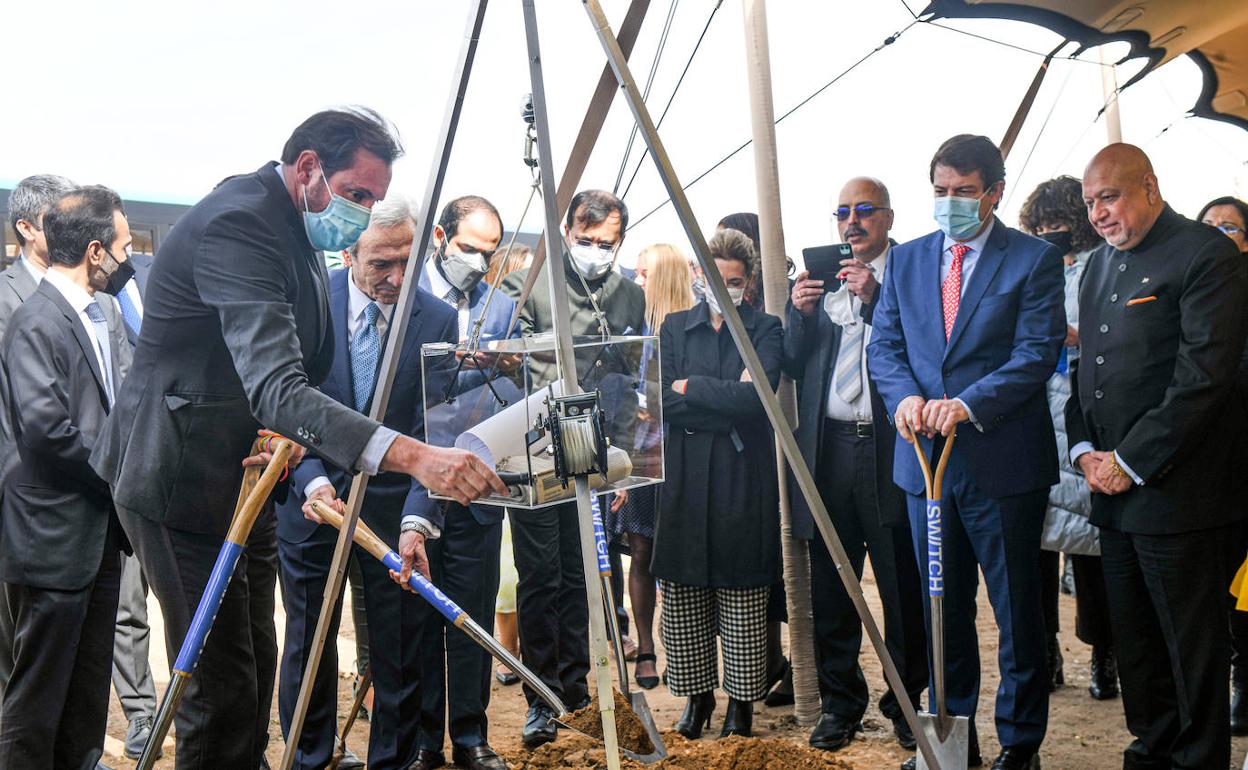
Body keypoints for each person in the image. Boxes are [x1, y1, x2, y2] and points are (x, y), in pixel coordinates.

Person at [89, 108, 504, 769]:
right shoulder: (240, 224)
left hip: (245, 474)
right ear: (308, 167)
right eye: (357, 194)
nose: (364, 212)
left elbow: (287, 369)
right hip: (176, 478)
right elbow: (278, 386)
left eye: (372, 198)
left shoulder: (296, 231)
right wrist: (415, 455)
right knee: (218, 684)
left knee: (253, 666)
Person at [869, 134, 1065, 770]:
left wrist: (968, 403)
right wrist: (902, 399)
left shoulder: (1032, 260)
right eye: (941, 192)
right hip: (924, 467)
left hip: (1001, 463)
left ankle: (1019, 744)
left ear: (995, 193)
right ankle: (954, 740)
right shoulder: (907, 261)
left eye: (964, 192)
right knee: (940, 611)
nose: (950, 203)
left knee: (1016, 615)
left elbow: (1036, 351)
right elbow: (886, 348)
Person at [1068, 143, 1248, 770]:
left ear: (1149, 186)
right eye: (1091, 202)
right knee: (1135, 643)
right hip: (1110, 494)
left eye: (1108, 197)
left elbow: (1203, 376)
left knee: (1189, 648)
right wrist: (1085, 450)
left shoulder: (1207, 255)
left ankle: (1198, 761)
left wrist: (1130, 460)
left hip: (1180, 496)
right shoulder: (1094, 267)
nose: (1098, 213)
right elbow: (1083, 369)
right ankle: (1150, 751)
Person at [275, 196, 457, 770]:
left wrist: (416, 521)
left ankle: (393, 761)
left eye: (408, 260)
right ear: (348, 251)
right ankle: (312, 755)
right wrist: (310, 481)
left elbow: (439, 428)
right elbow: (284, 404)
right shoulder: (306, 303)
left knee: (399, 647)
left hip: (393, 506)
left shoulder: (437, 318)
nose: (396, 278)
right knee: (310, 638)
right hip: (312, 501)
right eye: (381, 263)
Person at [784, 177, 927, 753]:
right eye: (842, 211)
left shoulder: (910, 274)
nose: (853, 221)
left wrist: (875, 298)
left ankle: (906, 702)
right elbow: (791, 364)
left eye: (864, 210)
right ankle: (842, 704)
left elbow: (924, 349)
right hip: (830, 450)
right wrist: (800, 314)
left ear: (888, 217)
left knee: (901, 584)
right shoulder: (820, 283)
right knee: (832, 586)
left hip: (890, 448)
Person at [500, 189, 644, 748]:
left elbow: (631, 379)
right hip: (535, 451)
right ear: (566, 232)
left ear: (619, 241)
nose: (594, 251)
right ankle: (542, 697)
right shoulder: (531, 282)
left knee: (583, 577)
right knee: (541, 577)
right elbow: (500, 355)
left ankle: (578, 691)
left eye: (605, 243)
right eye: (585, 241)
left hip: (596, 457)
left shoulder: (630, 295)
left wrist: (624, 459)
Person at [0, 185, 133, 769]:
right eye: (125, 247)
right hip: (52, 539)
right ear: (96, 251)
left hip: (95, 535)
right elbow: (46, 431)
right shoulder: (37, 320)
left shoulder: (92, 314)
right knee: (37, 704)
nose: (131, 262)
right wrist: (120, 474)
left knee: (84, 697)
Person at [653, 228, 783, 740]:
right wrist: (723, 396)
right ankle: (697, 698)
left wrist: (695, 390)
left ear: (747, 282)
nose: (723, 287)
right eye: (714, 278)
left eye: (733, 280)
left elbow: (758, 400)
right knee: (684, 594)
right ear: (697, 276)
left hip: (742, 475)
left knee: (744, 594)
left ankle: (741, 705)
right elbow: (661, 398)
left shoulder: (765, 329)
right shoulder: (673, 327)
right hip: (683, 475)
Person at [413, 194, 517, 770]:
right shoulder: (407, 297)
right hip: (414, 481)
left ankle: (471, 736)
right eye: (467, 249)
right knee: (422, 620)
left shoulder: (500, 309)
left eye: (488, 253)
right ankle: (426, 739)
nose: (476, 262)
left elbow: (512, 393)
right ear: (439, 237)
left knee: (473, 617)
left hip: (476, 488)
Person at [1017, 175, 1117, 701]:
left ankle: (1104, 652)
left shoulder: (1102, 267)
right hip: (1032, 415)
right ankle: (1046, 649)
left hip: (1082, 415)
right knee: (1033, 548)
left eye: (1057, 226)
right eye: (1039, 227)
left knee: (1091, 547)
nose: (1048, 234)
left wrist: (1076, 340)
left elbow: (1116, 337)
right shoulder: (1023, 268)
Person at [615, 242, 695, 691]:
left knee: (679, 553)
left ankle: (685, 654)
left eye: (644, 273)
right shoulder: (632, 328)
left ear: (664, 277)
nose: (637, 279)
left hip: (685, 454)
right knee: (641, 552)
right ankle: (645, 647)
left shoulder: (695, 325)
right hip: (641, 457)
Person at [1200, 196, 1248, 735]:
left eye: (1230, 226)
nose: (1217, 234)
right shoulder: (1194, 291)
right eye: (1208, 226)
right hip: (1212, 465)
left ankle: (1245, 680)